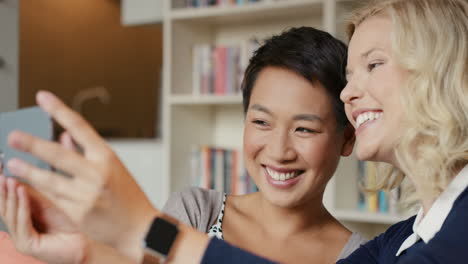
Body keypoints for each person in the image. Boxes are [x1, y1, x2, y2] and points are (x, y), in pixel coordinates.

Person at [0, 0, 467, 263]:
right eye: (261, 121)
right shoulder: (404, 239)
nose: (350, 93)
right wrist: (85, 249)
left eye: (374, 65)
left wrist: (143, 226)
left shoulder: (428, 237)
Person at [162, 26, 364, 263]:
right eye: (261, 122)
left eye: (304, 129)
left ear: (348, 138)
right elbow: (142, 257)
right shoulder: (192, 210)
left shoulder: (361, 256)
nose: (279, 152)